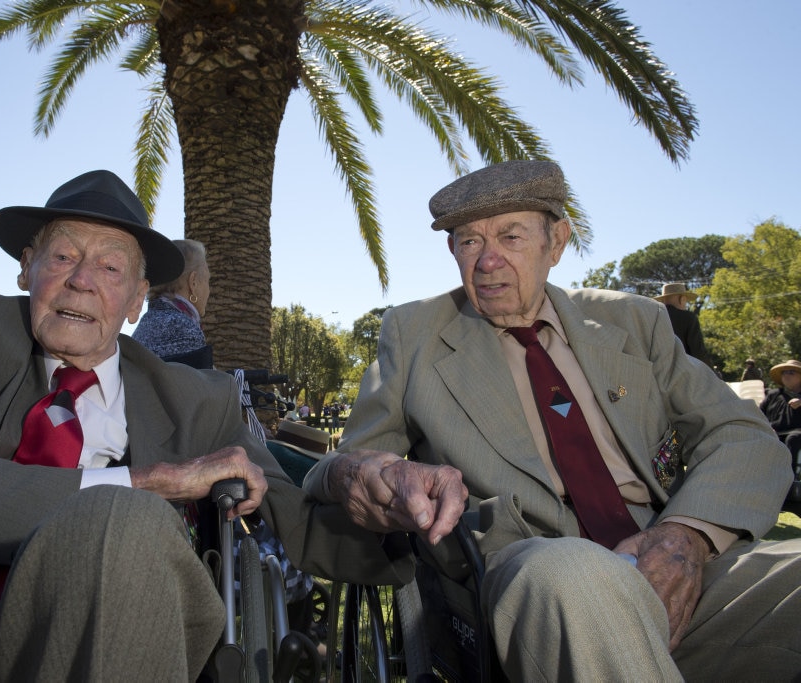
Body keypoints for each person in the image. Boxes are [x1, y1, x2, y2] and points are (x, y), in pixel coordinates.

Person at [0, 170, 409, 680]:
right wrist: (144, 481)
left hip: (118, 622)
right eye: (63, 255)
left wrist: (391, 505)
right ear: (26, 270)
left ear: (137, 301)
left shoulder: (198, 398)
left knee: (116, 525)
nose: (81, 280)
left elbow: (301, 520)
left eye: (110, 267)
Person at [303, 160, 800, 680]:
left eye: (511, 236)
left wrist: (685, 539)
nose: (488, 261)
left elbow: (742, 434)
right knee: (575, 576)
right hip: (532, 577)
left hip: (669, 558)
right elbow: (349, 463)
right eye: (469, 242)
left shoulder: (634, 321)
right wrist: (364, 474)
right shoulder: (414, 335)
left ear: (557, 242)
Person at [131, 238, 212, 368]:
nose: (209, 290)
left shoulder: (148, 322)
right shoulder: (184, 329)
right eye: (208, 280)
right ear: (193, 282)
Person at [760, 359, 801, 476]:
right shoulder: (773, 394)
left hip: (797, 433)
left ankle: (789, 478)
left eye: (791, 372)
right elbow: (758, 414)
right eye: (784, 372)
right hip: (774, 433)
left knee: (793, 438)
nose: (786, 375)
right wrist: (765, 428)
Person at [654, 282, 711, 365]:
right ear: (682, 299)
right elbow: (698, 352)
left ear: (663, 300)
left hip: (655, 373)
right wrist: (713, 374)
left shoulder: (654, 318)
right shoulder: (688, 318)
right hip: (683, 372)